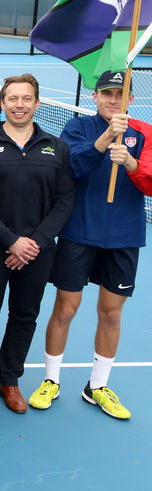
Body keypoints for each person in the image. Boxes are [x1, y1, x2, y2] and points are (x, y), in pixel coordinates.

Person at [35, 71, 152, 419]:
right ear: (95, 97)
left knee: (111, 313)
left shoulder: (145, 133)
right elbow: (71, 167)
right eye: (106, 93)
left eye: (120, 94)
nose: (112, 100)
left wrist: (130, 162)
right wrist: (105, 139)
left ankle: (97, 387)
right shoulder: (75, 129)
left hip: (124, 238)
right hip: (78, 233)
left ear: (131, 99)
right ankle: (51, 380)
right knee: (66, 308)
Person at [0, 74, 74, 413]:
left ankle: (10, 381)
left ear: (37, 103)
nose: (20, 105)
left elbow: (65, 199)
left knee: (25, 315)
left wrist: (33, 243)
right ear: (2, 103)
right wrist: (11, 241)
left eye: (27, 98)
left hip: (38, 252)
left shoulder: (56, 146)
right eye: (13, 98)